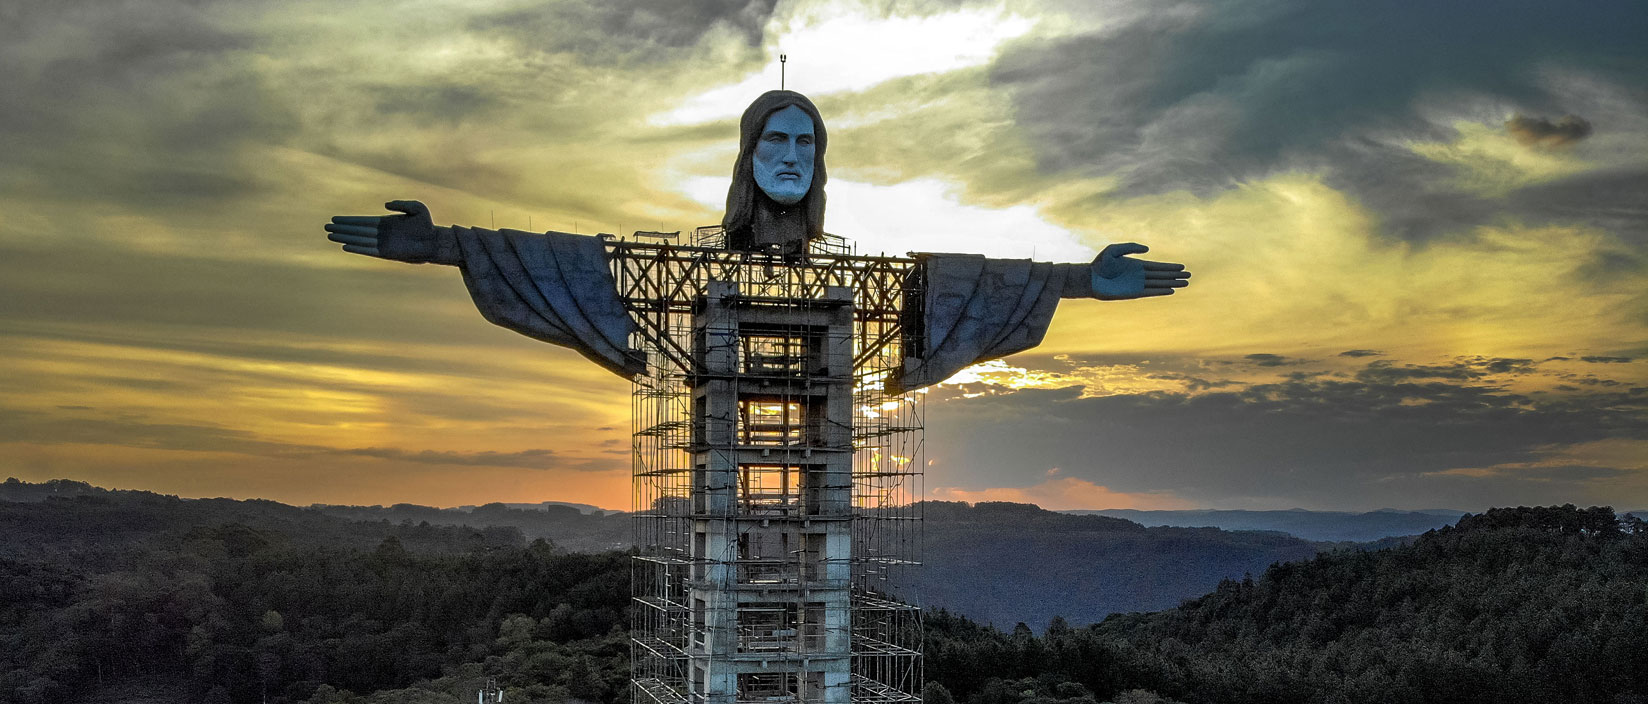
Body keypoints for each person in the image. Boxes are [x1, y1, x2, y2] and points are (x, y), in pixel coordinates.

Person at [323, 91, 1189, 386]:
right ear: (748, 155)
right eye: (774, 140)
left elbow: (969, 281)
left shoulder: (874, 276)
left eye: (806, 143)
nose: (791, 157)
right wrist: (442, 248)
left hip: (828, 394)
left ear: (822, 162)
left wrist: (1079, 277)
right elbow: (571, 262)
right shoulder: (679, 269)